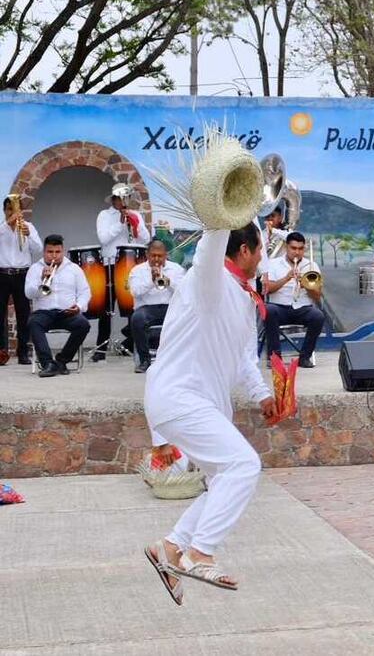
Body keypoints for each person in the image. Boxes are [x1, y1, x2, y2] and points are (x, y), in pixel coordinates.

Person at [143, 224, 276, 600]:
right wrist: (222, 214)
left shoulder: (243, 296)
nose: (262, 257)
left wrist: (263, 395)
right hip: (179, 397)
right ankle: (199, 554)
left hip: (201, 405)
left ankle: (170, 548)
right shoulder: (209, 280)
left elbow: (245, 358)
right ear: (244, 250)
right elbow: (211, 245)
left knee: (223, 479)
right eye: (260, 249)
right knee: (243, 465)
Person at [94, 183, 150, 361]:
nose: (123, 202)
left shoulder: (135, 215)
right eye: (120, 198)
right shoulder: (104, 215)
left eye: (126, 198)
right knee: (107, 309)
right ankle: (100, 350)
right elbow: (103, 239)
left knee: (132, 306)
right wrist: (120, 224)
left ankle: (134, 345)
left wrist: (135, 223)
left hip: (131, 265)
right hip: (110, 263)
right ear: (114, 200)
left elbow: (146, 239)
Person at [25, 235, 91, 378]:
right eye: (50, 252)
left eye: (57, 252)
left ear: (63, 251)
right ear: (44, 252)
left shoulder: (74, 269)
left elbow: (85, 292)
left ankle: (62, 361)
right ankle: (47, 363)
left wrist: (79, 307)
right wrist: (41, 280)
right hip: (43, 312)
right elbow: (28, 294)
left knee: (83, 324)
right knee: (33, 323)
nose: (54, 256)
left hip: (66, 312)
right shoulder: (35, 269)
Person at [264, 232, 325, 368]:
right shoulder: (273, 264)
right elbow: (268, 289)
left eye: (300, 249)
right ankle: (275, 358)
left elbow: (317, 296)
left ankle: (305, 357)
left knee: (318, 316)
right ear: (286, 247)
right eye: (293, 248)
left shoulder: (312, 266)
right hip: (279, 307)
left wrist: (306, 285)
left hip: (303, 308)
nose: (297, 252)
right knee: (269, 310)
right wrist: (286, 278)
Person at [127, 239, 186, 372]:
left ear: (166, 255)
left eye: (160, 256)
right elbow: (135, 292)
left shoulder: (176, 269)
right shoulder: (137, 270)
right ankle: (145, 360)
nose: (157, 259)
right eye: (153, 255)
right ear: (147, 255)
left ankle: (178, 360)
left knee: (187, 317)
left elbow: (184, 290)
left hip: (170, 307)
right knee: (137, 319)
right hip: (146, 308)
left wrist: (168, 281)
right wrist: (151, 281)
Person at [0, 194, 42, 365]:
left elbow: (38, 248)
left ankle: (23, 352)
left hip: (22, 274)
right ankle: (1, 353)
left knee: (24, 314)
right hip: (2, 274)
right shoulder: (1, 228)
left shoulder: (29, 227)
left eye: (16, 209)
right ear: (4, 211)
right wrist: (7, 225)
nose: (12, 213)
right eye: (9, 209)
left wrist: (29, 235)